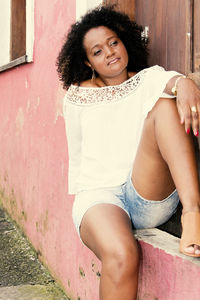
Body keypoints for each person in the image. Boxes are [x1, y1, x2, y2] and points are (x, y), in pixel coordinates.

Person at [57, 6, 200, 300]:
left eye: (113, 42)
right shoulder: (76, 98)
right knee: (122, 254)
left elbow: (171, 82)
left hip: (145, 193)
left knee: (164, 105)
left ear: (124, 42)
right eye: (97, 51)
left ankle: (193, 214)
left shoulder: (147, 79)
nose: (109, 52)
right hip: (100, 197)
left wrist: (185, 83)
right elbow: (81, 162)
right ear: (88, 62)